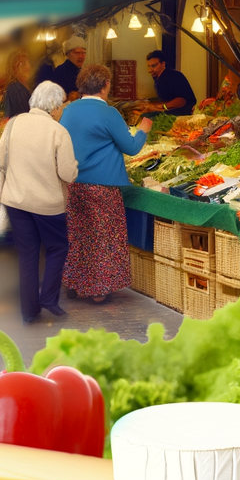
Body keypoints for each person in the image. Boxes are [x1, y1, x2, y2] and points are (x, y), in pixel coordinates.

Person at [60, 64, 153, 304]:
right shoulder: (109, 113)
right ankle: (98, 289)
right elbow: (131, 148)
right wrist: (143, 129)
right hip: (102, 186)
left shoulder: (69, 111)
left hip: (74, 183)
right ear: (105, 85)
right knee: (103, 237)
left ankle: (74, 283)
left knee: (79, 235)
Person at [0, 81, 78, 324]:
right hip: (48, 204)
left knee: (28, 254)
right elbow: (67, 174)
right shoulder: (57, 131)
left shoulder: (13, 124)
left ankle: (29, 311)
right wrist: (74, 168)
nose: (62, 110)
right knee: (58, 247)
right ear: (53, 107)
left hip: (16, 201)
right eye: (61, 105)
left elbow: (1, 161)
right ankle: (49, 299)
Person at [138, 50, 197, 116]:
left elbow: (181, 100)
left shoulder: (174, 76)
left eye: (153, 66)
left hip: (181, 115)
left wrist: (164, 106)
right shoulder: (157, 77)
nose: (150, 70)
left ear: (163, 64)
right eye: (149, 66)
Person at [2, 49, 32, 118]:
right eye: (22, 63)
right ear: (14, 68)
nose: (28, 66)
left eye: (28, 62)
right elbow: (25, 116)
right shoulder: (15, 88)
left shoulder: (21, 85)